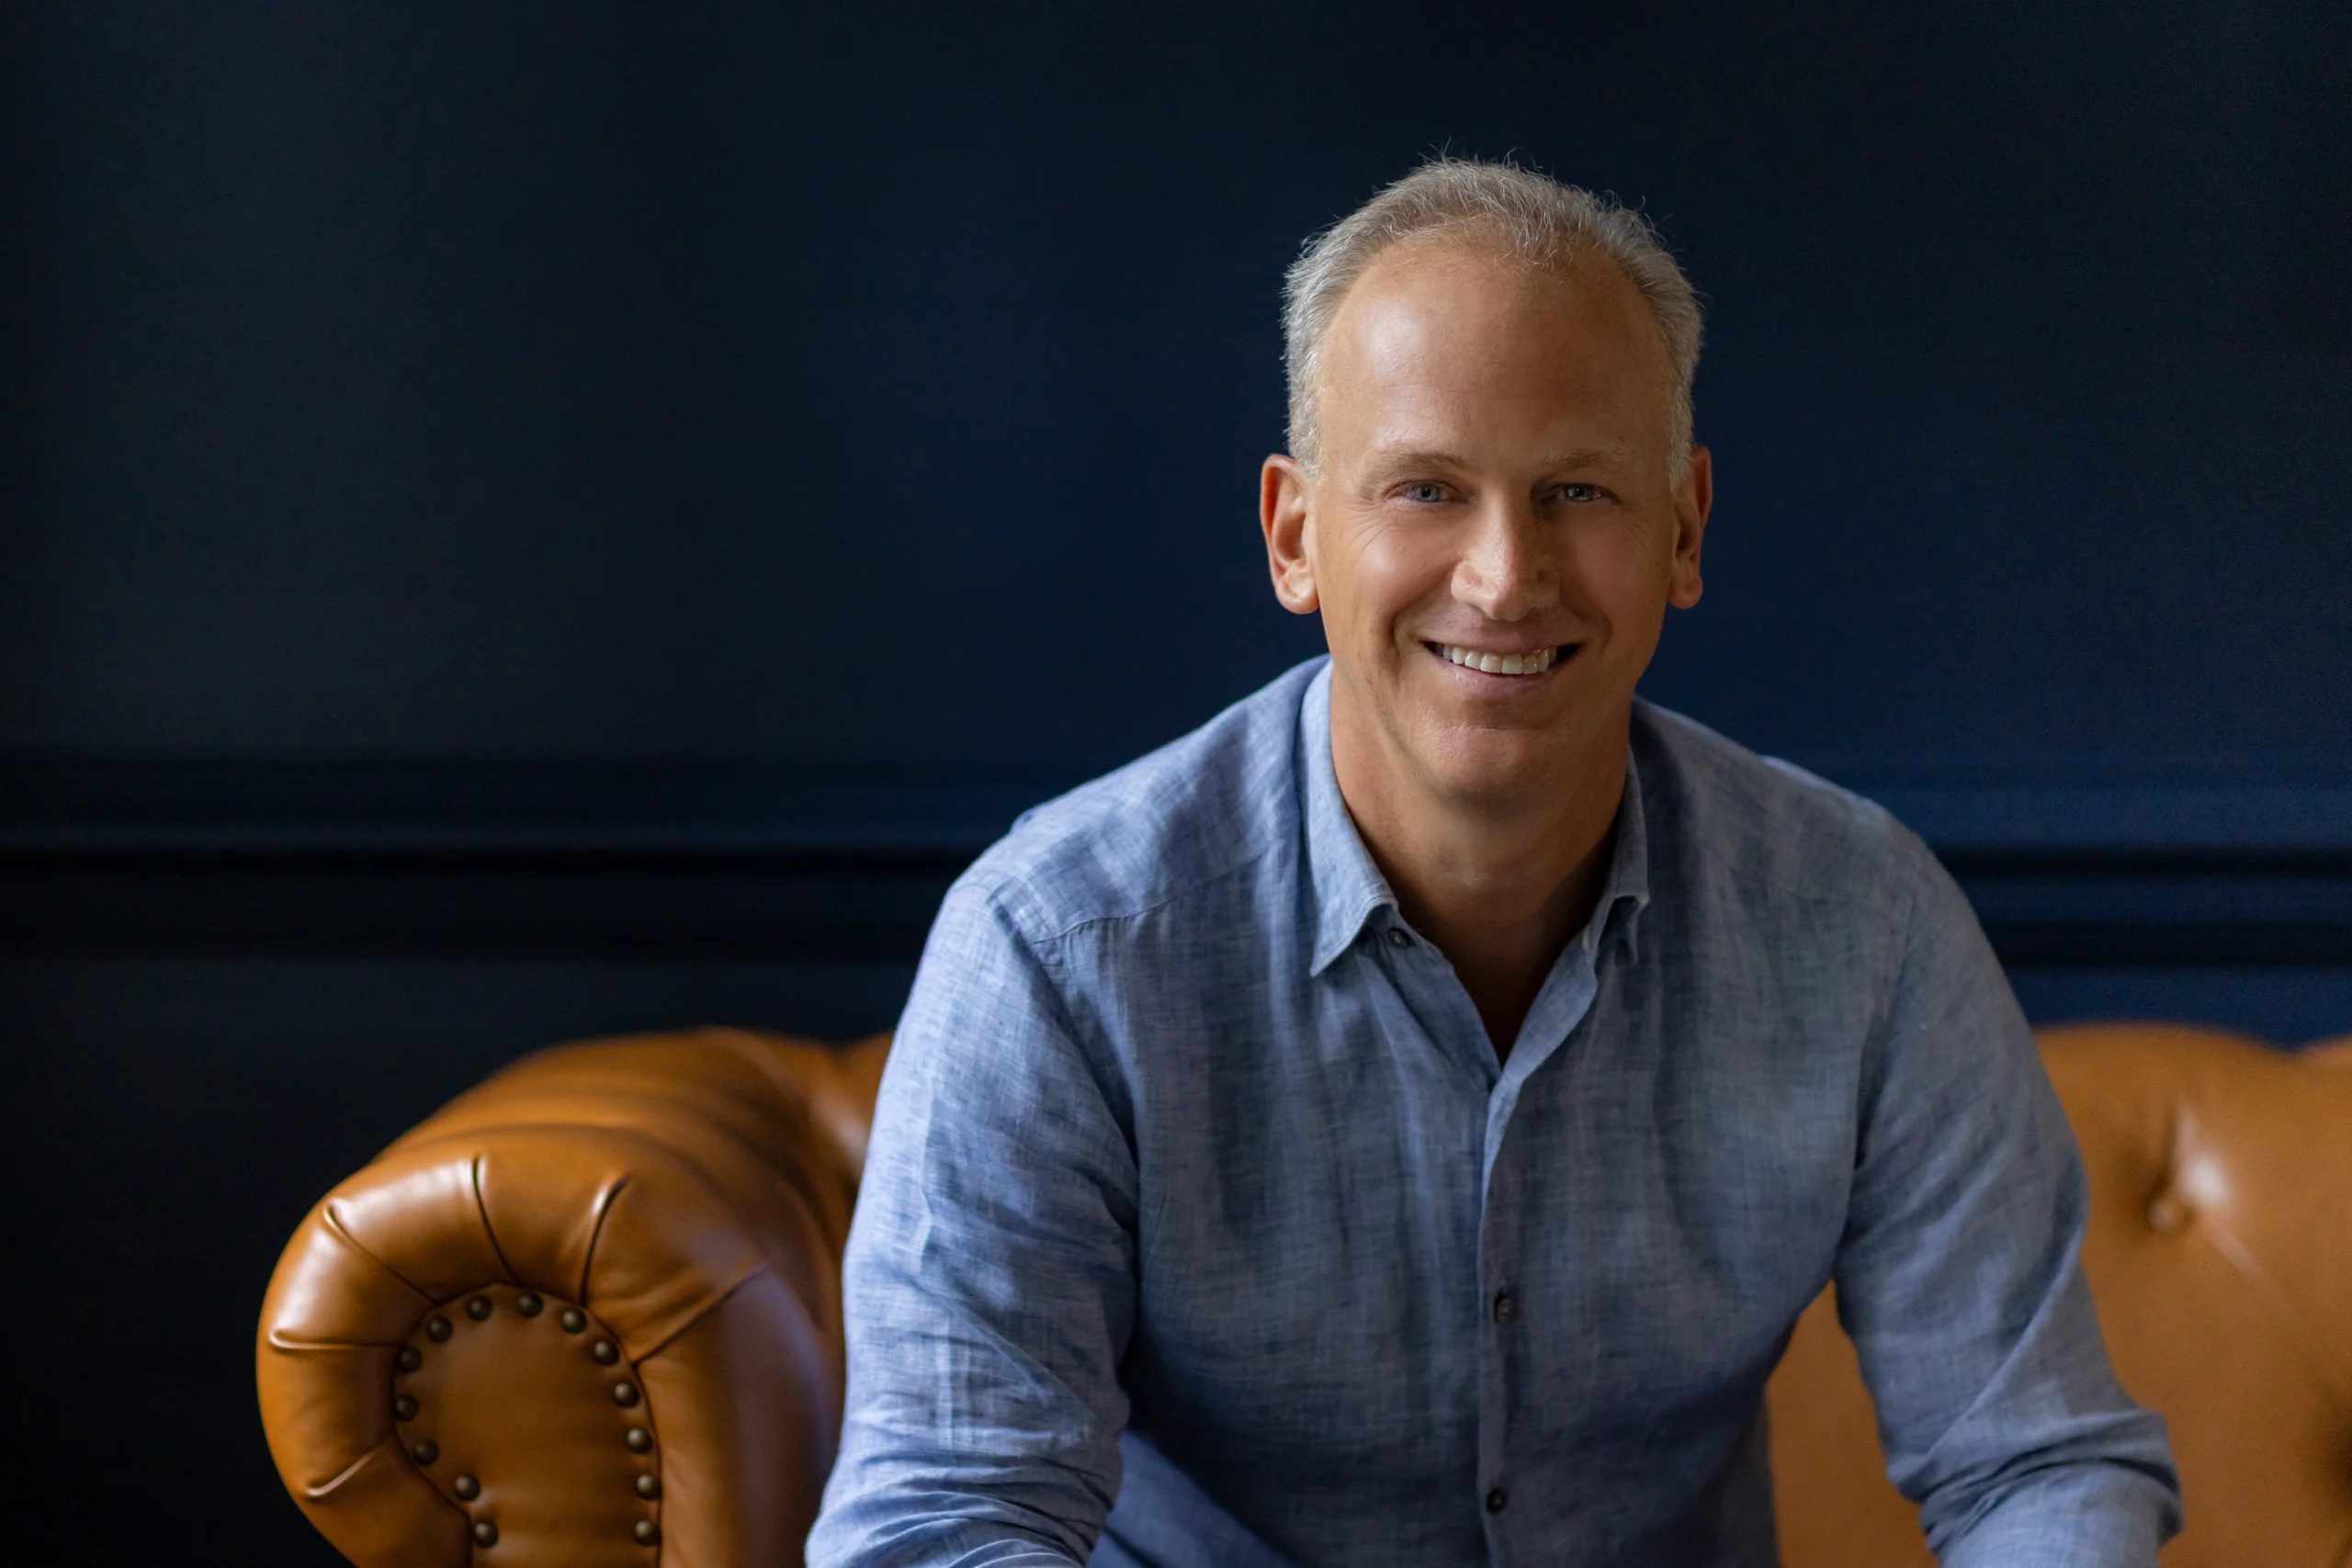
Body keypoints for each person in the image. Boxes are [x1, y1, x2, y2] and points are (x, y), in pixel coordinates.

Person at [806, 159, 2180, 1567]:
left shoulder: (1866, 929)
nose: (1505, 574)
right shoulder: (1057, 952)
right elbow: (944, 1525)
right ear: (1294, 536)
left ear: (1686, 530)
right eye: (1426, 489)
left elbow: (2039, 1462)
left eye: (1578, 488)